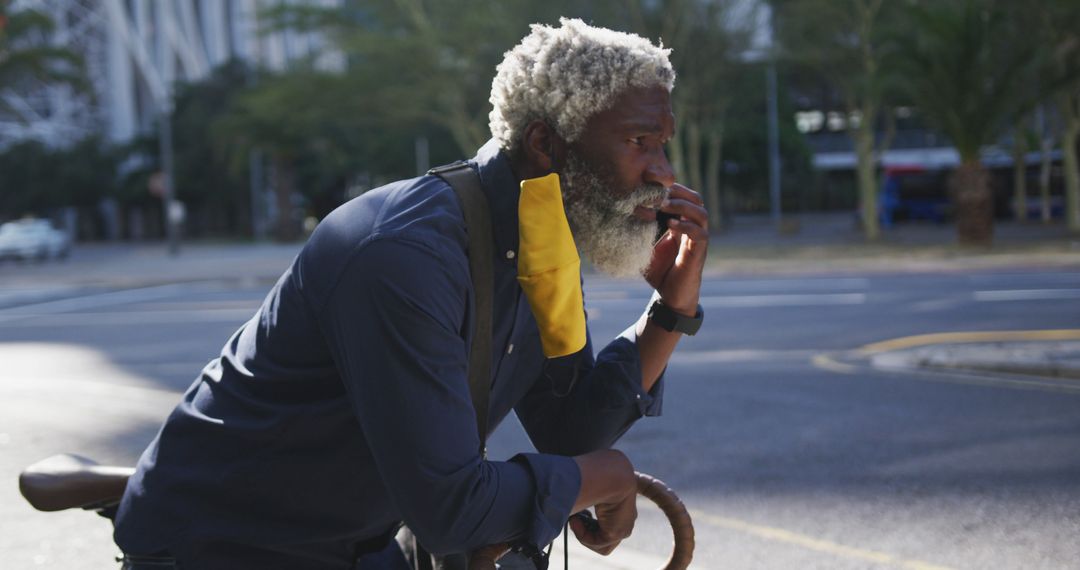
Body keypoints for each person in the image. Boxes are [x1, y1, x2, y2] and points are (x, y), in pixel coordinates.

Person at [113, 18, 708, 570]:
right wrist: (606, 475)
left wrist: (671, 312)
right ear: (545, 145)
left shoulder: (544, 244)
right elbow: (452, 508)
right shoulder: (406, 254)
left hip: (356, 542)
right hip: (224, 546)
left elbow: (570, 431)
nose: (662, 170)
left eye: (663, 143)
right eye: (639, 140)